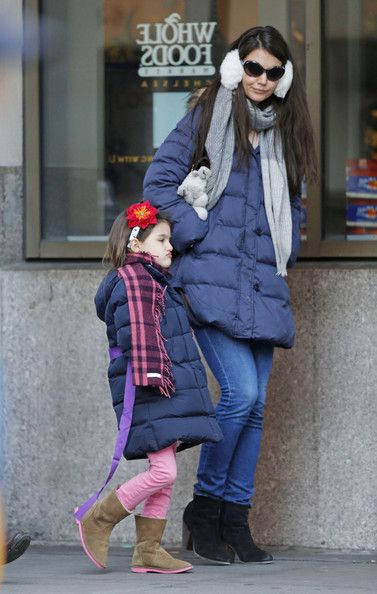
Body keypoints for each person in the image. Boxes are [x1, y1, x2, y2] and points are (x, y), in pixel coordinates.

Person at [143, 26, 317, 565]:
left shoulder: (285, 131)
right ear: (235, 67)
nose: (261, 79)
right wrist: (199, 235)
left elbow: (292, 202)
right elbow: (158, 184)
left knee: (257, 406)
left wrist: (289, 243)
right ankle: (204, 508)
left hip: (263, 284)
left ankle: (234, 519)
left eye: (271, 71)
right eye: (252, 67)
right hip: (212, 284)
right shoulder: (207, 115)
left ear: (282, 76)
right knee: (240, 394)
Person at [75, 201, 222, 574]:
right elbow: (136, 334)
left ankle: (149, 550)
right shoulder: (134, 281)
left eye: (169, 239)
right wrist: (156, 380)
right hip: (151, 388)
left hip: (165, 389)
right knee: (164, 472)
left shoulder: (154, 281)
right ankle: (99, 518)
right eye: (162, 239)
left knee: (166, 470)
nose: (170, 246)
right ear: (137, 244)